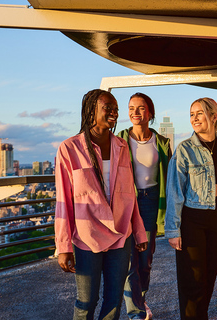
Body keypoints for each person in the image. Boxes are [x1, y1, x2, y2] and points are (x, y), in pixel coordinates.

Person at [55, 89, 148, 320]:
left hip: (120, 235)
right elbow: (64, 201)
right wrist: (64, 246)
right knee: (86, 301)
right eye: (108, 107)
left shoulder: (122, 147)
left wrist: (139, 232)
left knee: (114, 299)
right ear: (91, 111)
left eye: (116, 108)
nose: (114, 112)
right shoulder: (69, 149)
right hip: (87, 237)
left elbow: (130, 195)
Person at [165, 97, 217, 320]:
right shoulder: (185, 149)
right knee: (192, 279)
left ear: (214, 116)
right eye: (192, 114)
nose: (194, 119)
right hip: (193, 218)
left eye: (200, 113)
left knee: (210, 275)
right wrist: (173, 230)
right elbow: (175, 191)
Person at [117, 93, 172, 320]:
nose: (135, 113)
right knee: (128, 259)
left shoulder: (162, 142)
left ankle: (141, 298)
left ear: (150, 112)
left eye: (140, 108)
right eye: (131, 108)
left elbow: (169, 176)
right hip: (126, 202)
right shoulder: (119, 140)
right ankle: (136, 312)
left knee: (145, 259)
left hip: (150, 202)